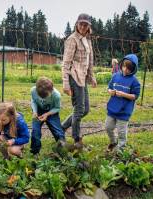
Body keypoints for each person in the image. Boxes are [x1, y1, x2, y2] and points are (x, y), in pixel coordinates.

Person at [61, 13, 97, 149]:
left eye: (85, 24)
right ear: (76, 24)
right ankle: (76, 139)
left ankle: (62, 127)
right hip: (74, 77)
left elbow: (90, 61)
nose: (83, 26)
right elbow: (65, 63)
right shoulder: (72, 40)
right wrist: (65, 83)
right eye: (81, 23)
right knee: (79, 109)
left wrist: (92, 77)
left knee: (86, 109)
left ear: (89, 26)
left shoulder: (87, 40)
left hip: (83, 78)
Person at [105, 54, 141, 152]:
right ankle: (113, 142)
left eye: (129, 69)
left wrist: (124, 94)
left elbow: (135, 96)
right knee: (108, 127)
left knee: (121, 132)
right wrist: (110, 92)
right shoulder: (115, 76)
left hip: (124, 111)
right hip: (112, 108)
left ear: (133, 69)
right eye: (124, 66)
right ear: (121, 65)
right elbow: (109, 87)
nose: (125, 70)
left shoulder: (135, 81)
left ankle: (121, 149)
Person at [30, 77, 65, 156]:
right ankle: (35, 152)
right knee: (35, 132)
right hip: (38, 111)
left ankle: (63, 150)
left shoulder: (56, 95)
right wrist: (35, 112)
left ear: (52, 90)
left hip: (52, 111)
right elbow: (33, 101)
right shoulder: (33, 91)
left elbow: (57, 108)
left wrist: (47, 114)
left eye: (47, 96)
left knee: (58, 132)